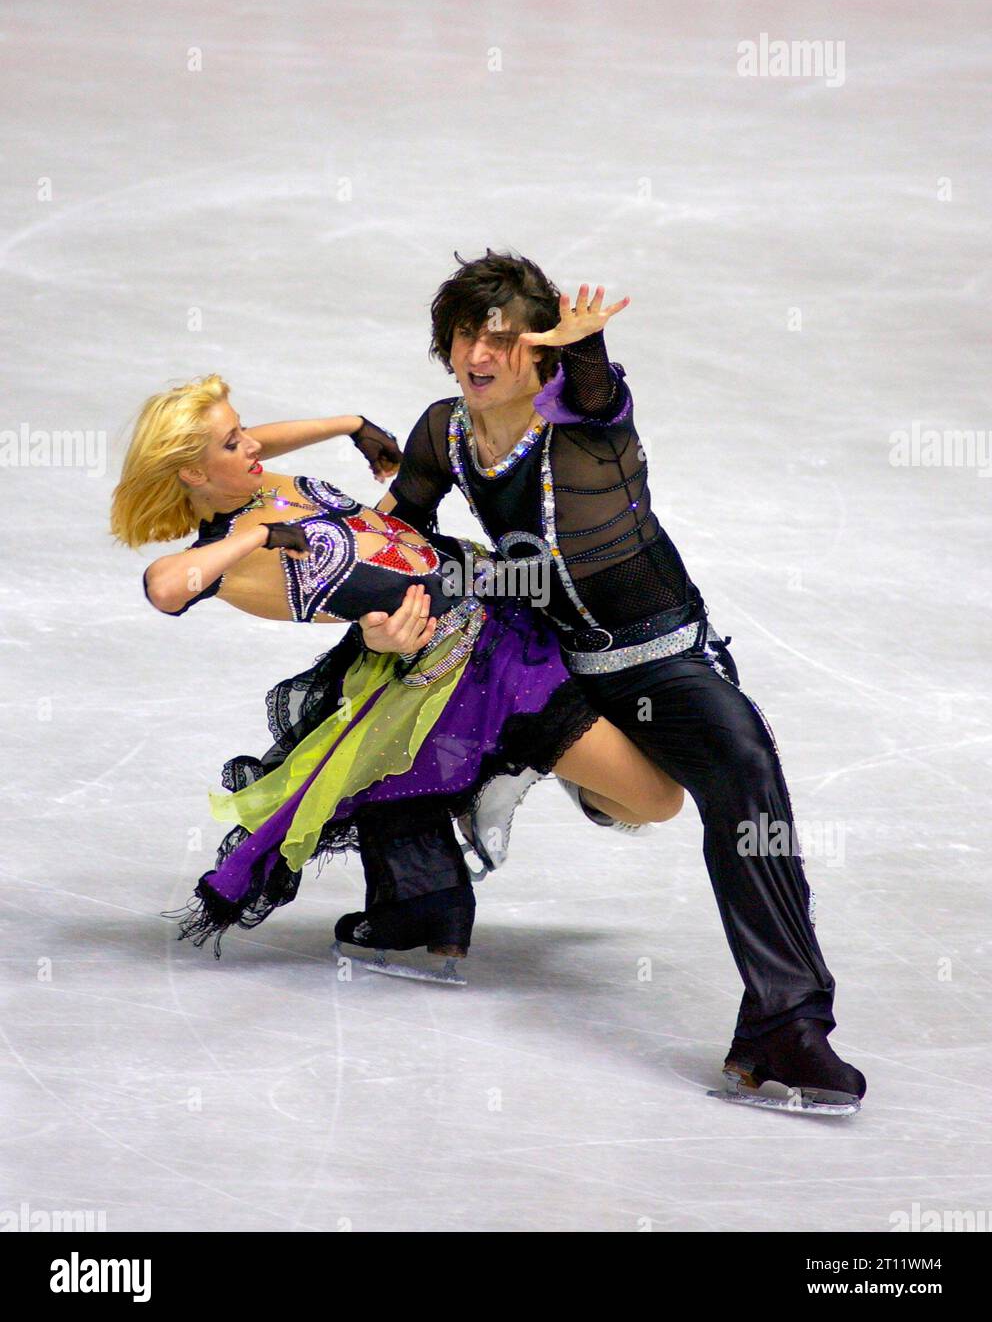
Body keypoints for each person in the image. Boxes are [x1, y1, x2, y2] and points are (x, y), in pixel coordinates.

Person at [361, 249, 867, 1112]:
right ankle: (416, 908)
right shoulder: (443, 429)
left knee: (746, 772)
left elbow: (598, 395)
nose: (479, 356)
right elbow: (398, 529)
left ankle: (784, 1025)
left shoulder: (586, 424)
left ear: (544, 352)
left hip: (660, 662)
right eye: (462, 338)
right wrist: (377, 604)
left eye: (506, 341)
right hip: (549, 658)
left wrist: (587, 352)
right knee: (383, 670)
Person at [110, 375, 684, 974]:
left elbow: (255, 446)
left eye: (242, 430)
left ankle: (451, 874)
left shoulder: (255, 483)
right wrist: (258, 533)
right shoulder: (229, 559)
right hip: (479, 668)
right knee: (656, 800)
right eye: (232, 443)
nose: (252, 445)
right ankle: (527, 775)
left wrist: (351, 425)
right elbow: (165, 588)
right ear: (194, 475)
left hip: (502, 589)